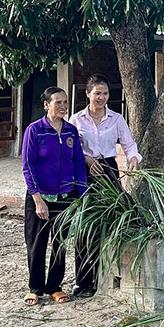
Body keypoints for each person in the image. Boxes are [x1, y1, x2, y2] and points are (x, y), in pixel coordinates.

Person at [69, 74, 142, 298]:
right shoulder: (76, 120)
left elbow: (130, 145)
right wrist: (86, 159)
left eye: (105, 93)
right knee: (85, 224)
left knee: (109, 223)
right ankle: (83, 281)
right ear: (88, 94)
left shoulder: (116, 119)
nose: (101, 97)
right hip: (85, 173)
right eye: (97, 93)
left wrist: (133, 159)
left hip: (109, 171)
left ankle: (106, 276)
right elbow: (70, 149)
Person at [21, 87, 88, 306]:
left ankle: (54, 287)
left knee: (60, 244)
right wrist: (37, 199)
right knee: (37, 244)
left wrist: (82, 194)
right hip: (40, 198)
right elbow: (28, 166)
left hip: (66, 198)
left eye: (65, 102)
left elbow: (78, 163)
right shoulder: (35, 130)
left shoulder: (70, 131)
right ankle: (35, 288)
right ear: (46, 104)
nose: (62, 106)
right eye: (57, 102)